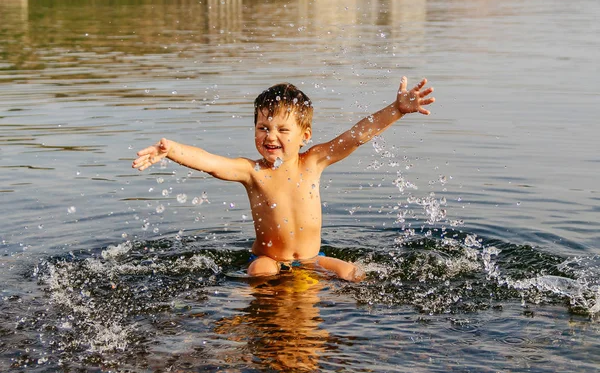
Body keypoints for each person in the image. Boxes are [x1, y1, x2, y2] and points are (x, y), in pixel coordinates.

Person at [133, 76, 434, 281]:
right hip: (269, 259)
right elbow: (211, 163)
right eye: (263, 127)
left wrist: (396, 110)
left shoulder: (314, 161)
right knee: (260, 273)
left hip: (312, 259)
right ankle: (268, 317)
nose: (270, 136)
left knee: (353, 275)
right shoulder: (253, 172)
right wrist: (171, 150)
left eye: (282, 129)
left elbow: (356, 136)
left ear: (305, 136)